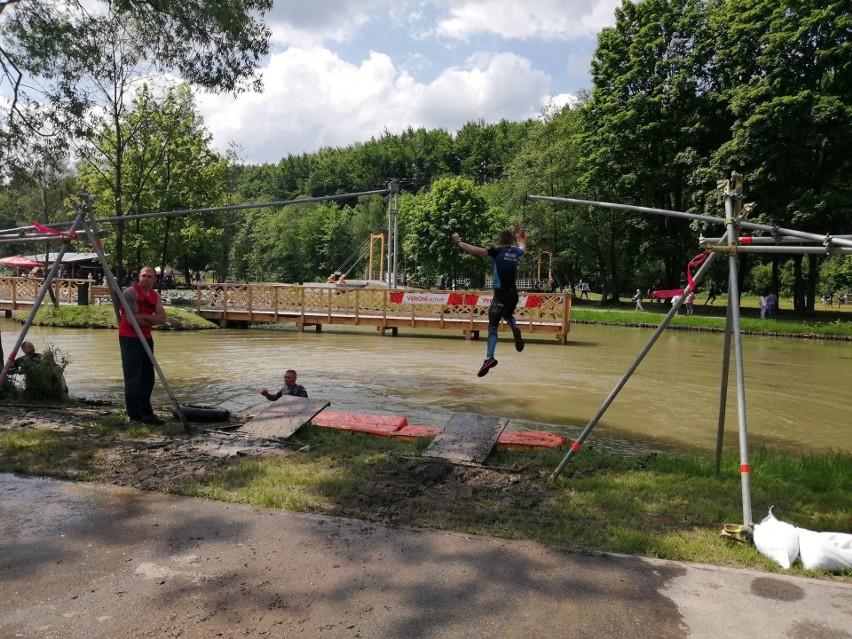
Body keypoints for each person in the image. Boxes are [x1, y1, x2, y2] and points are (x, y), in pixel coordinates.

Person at [451, 226, 526, 377]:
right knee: (508, 315)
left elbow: (475, 250)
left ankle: (489, 357)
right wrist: (518, 235)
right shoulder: (516, 253)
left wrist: (458, 242)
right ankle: (514, 329)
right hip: (513, 294)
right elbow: (523, 246)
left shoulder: (496, 251)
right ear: (511, 241)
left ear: (500, 241)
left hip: (500, 295)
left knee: (492, 327)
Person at [118, 266, 166, 425]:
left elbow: (162, 318)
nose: (146, 278)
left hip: (146, 337)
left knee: (148, 378)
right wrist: (150, 318)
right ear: (139, 276)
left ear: (154, 279)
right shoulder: (130, 293)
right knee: (133, 377)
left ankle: (146, 412)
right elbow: (132, 320)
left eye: (149, 276)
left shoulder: (155, 295)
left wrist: (144, 317)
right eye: (143, 275)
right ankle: (134, 416)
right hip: (129, 338)